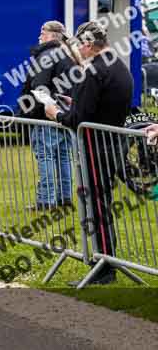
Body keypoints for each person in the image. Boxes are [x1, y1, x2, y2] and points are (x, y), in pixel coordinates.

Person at [46, 21, 134, 286]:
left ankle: (104, 266)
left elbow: (78, 119)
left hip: (96, 146)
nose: (77, 50)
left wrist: (56, 113)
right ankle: (104, 261)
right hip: (112, 141)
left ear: (86, 44)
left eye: (78, 45)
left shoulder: (93, 71)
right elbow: (98, 104)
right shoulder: (118, 64)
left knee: (97, 207)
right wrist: (78, 103)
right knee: (100, 204)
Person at [20, 21, 79, 210]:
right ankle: (65, 197)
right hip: (64, 114)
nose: (39, 36)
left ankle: (46, 200)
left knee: (45, 156)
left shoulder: (46, 55)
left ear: (52, 36)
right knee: (62, 157)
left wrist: (33, 111)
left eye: (42, 32)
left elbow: (39, 88)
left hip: (47, 115)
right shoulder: (67, 55)